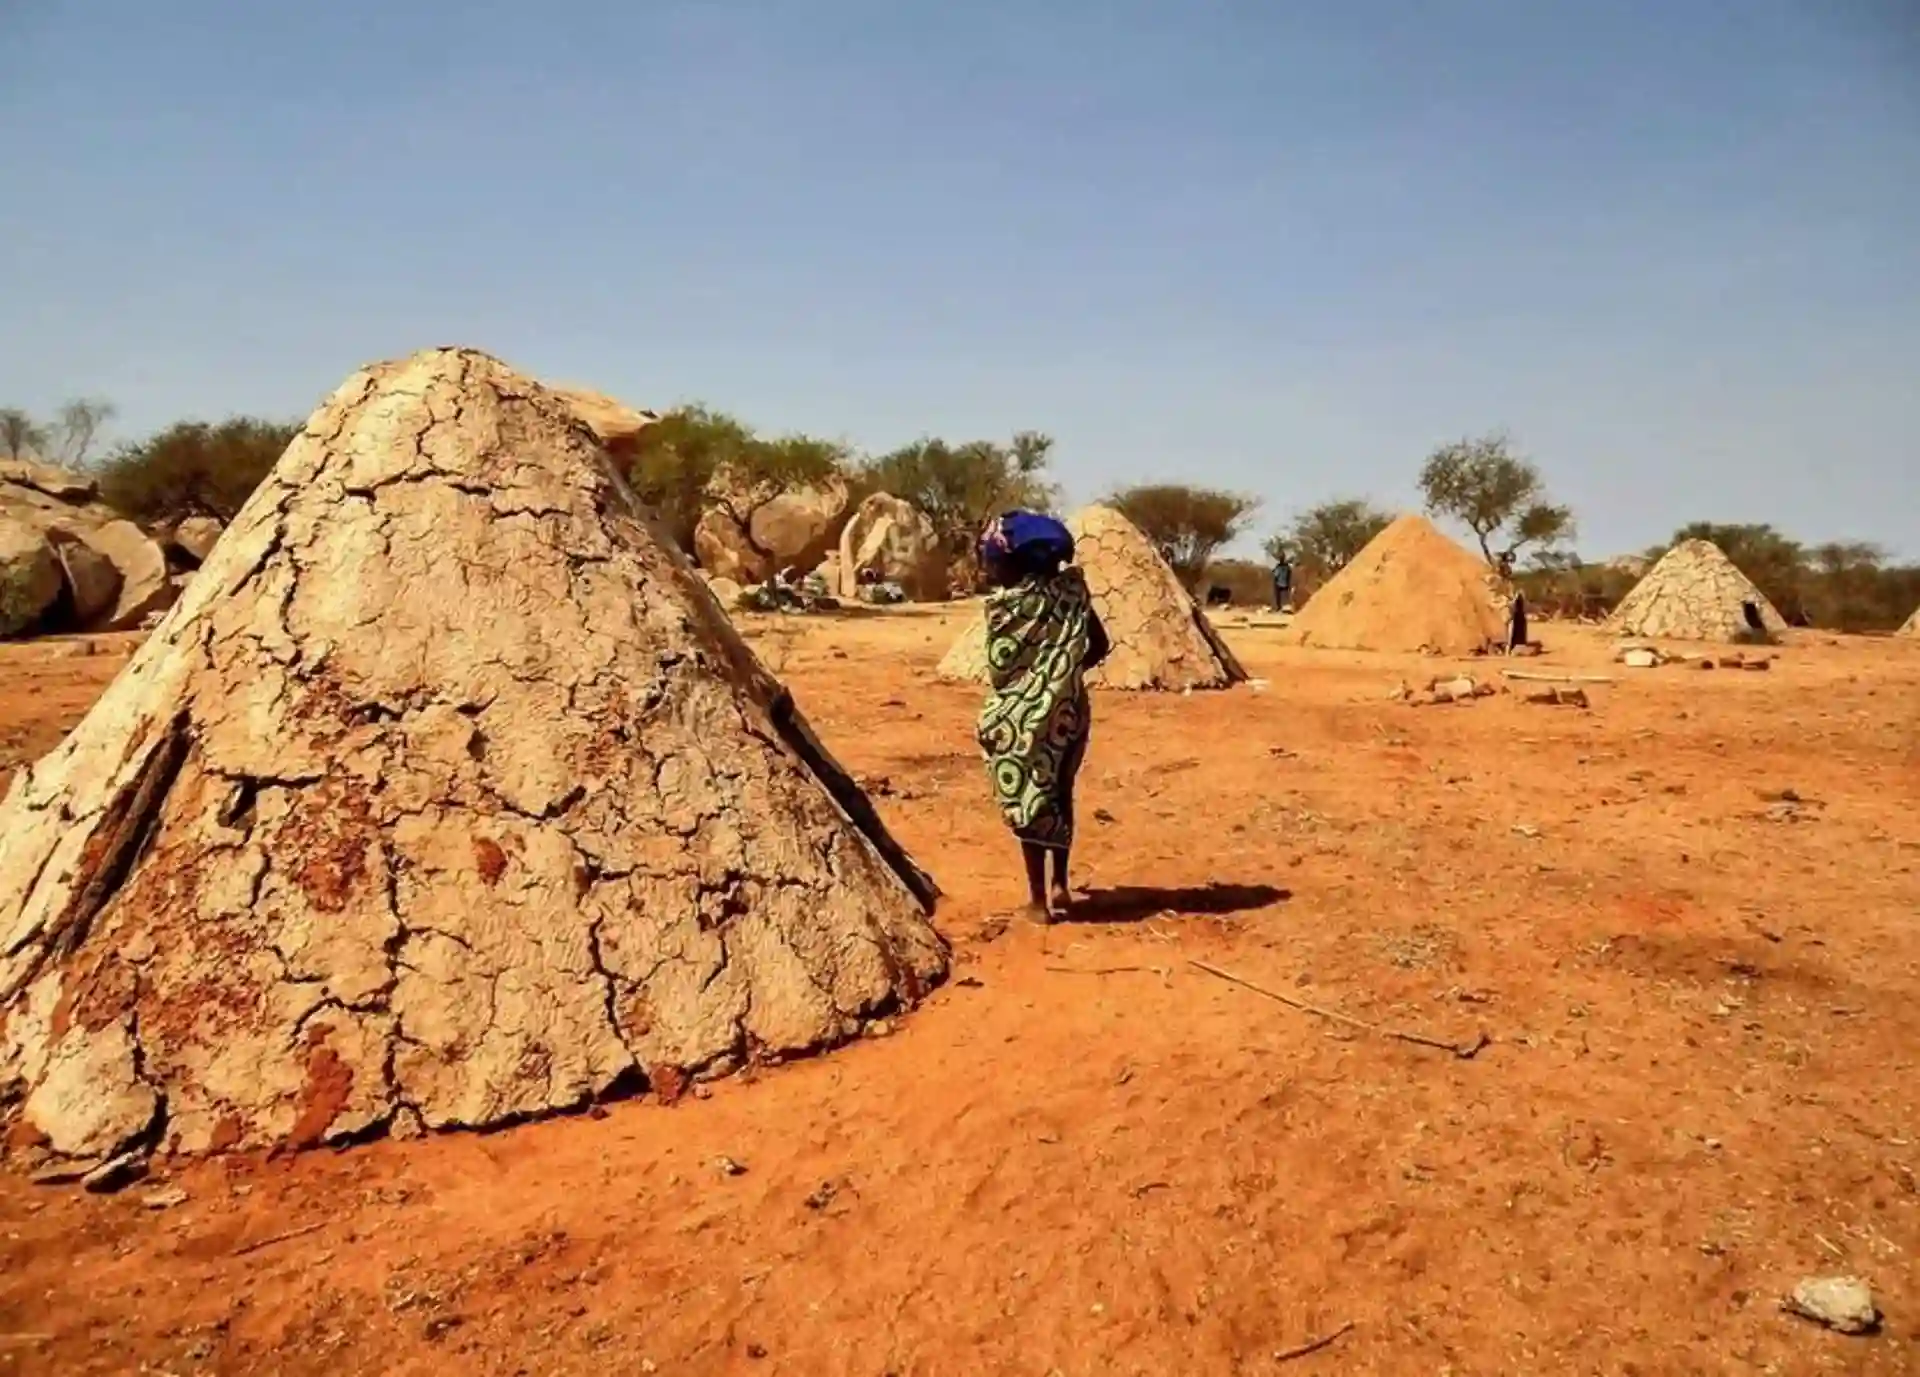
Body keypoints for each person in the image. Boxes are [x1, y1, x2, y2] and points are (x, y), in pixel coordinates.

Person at [974, 511, 1111, 923]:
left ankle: (1037, 902)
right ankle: (1061, 885)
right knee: (1060, 791)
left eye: (994, 561)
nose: (991, 569)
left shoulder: (1007, 608)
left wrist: (1034, 686)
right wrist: (1061, 674)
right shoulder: (1072, 596)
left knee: (1028, 795)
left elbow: (1001, 669)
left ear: (1013, 563)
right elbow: (1099, 645)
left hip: (1024, 718)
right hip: (1069, 709)